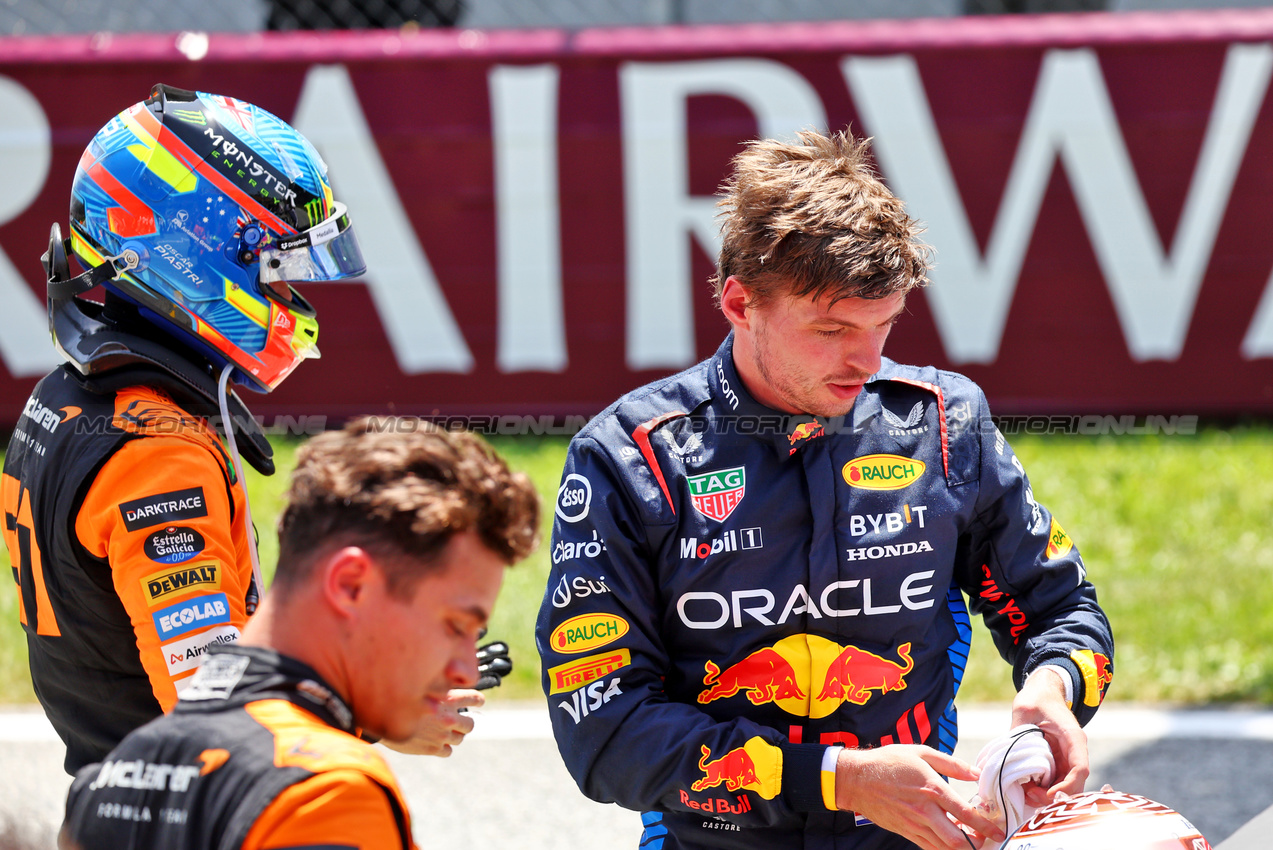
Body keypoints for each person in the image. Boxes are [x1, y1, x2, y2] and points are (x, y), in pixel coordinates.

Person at [536, 129, 1114, 850]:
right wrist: (836, 777)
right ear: (739, 303)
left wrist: (1052, 689)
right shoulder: (629, 459)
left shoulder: (940, 424)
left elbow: (1060, 608)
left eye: (884, 324)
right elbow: (603, 735)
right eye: (831, 328)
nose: (865, 360)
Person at [59, 417, 540, 849]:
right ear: (350, 585)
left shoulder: (104, 786)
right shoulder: (326, 794)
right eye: (456, 625)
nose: (465, 667)